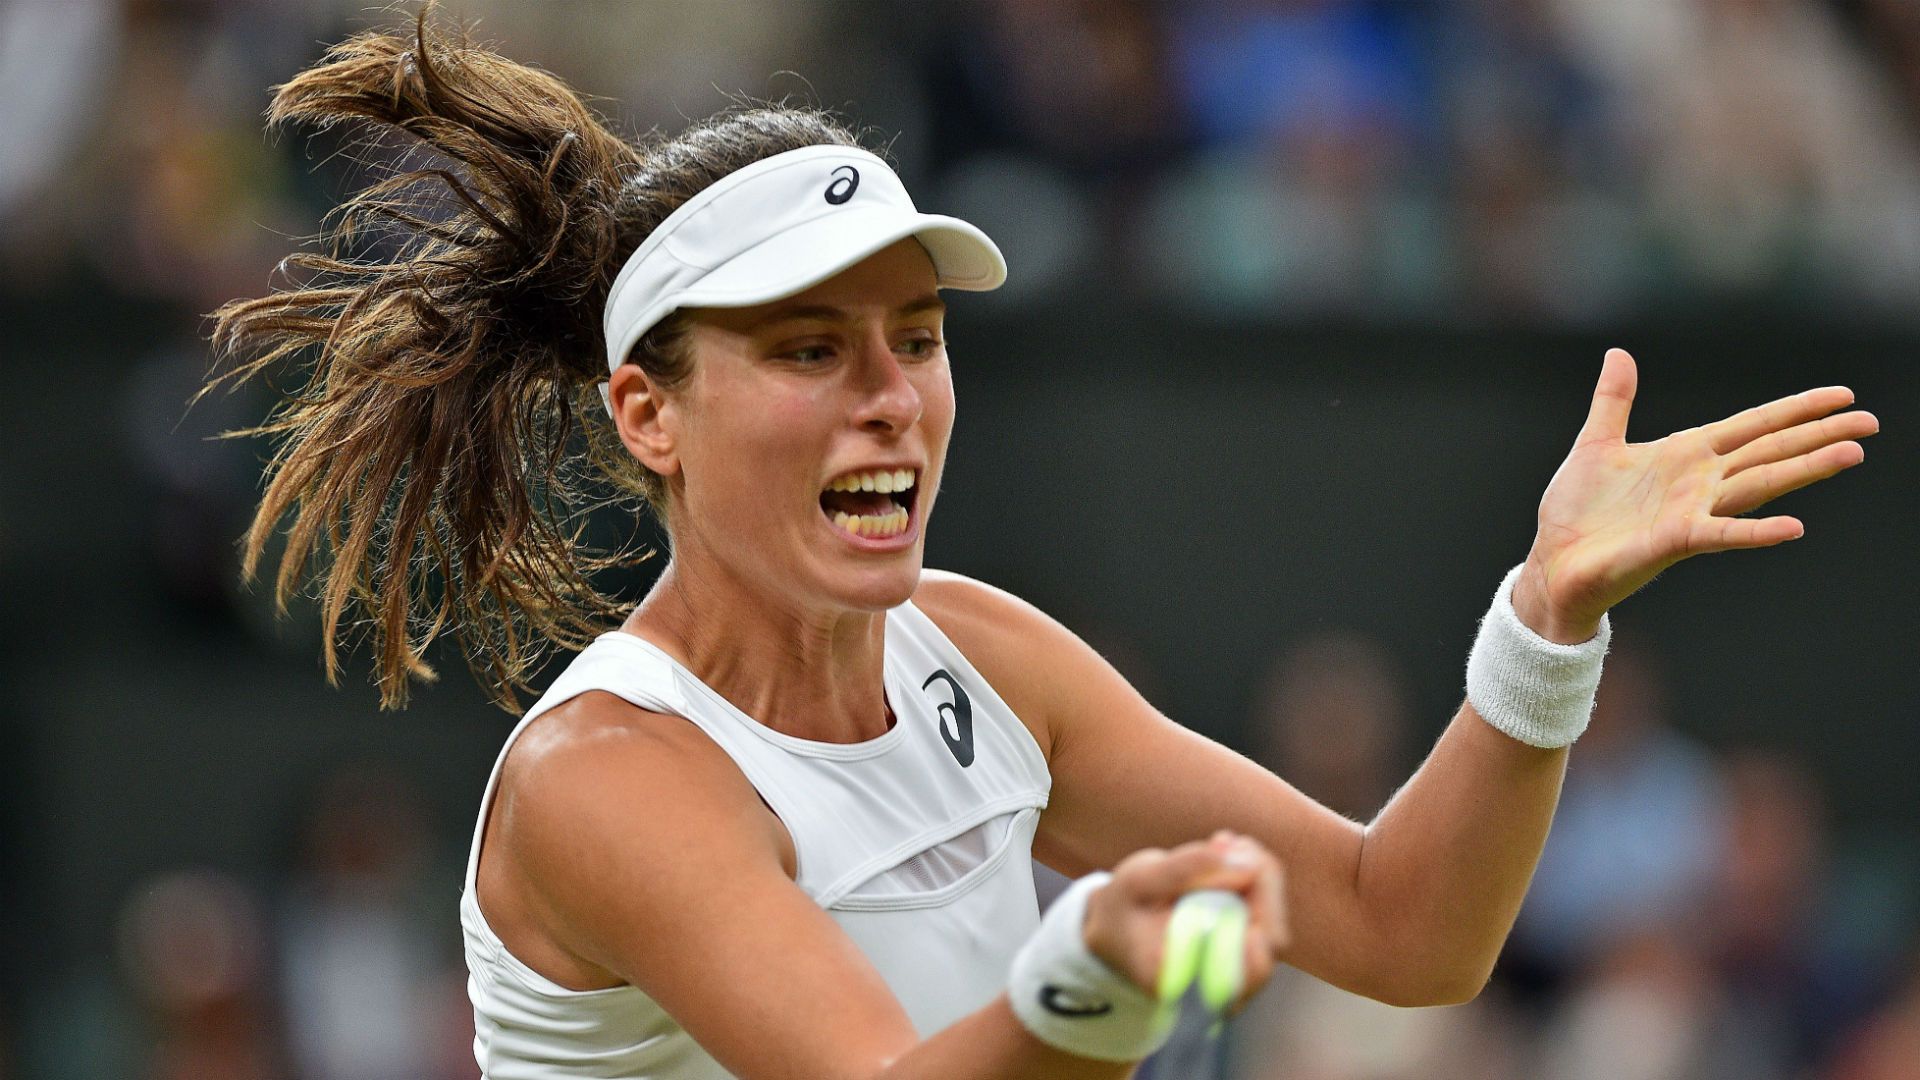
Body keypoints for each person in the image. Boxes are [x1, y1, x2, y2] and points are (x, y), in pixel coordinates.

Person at [206, 12, 1878, 1080]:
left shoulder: (983, 655)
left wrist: (1542, 626)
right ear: (651, 415)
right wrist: (1091, 979)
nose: (892, 401)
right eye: (809, 352)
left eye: (917, 337)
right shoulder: (608, 779)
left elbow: (1406, 927)